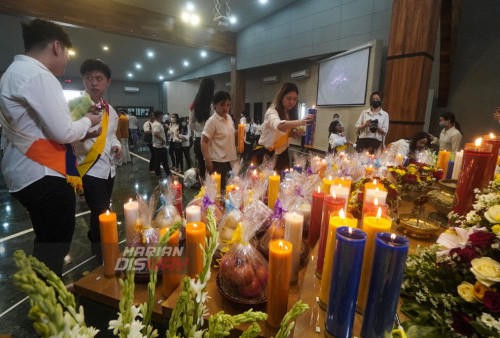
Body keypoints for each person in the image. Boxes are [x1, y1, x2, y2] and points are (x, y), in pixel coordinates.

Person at [0, 19, 101, 276]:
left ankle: (48, 293)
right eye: (67, 52)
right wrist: (88, 120)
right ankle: (50, 306)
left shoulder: (13, 73)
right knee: (53, 245)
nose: (67, 59)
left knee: (47, 241)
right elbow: (63, 132)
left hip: (25, 170)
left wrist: (84, 128)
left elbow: (42, 131)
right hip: (43, 174)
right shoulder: (38, 76)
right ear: (57, 46)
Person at [73, 59, 122, 263]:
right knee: (100, 210)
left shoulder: (110, 110)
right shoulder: (76, 105)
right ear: (83, 80)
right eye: (89, 78)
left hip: (108, 169)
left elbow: (111, 136)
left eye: (99, 78)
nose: (94, 82)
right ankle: (100, 253)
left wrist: (116, 145)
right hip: (89, 169)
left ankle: (96, 239)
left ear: (107, 82)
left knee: (100, 210)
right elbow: (68, 135)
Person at [258, 82, 314, 170]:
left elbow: (282, 132)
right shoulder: (272, 111)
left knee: (284, 180)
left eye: (295, 99)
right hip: (266, 152)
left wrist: (291, 133)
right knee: (265, 181)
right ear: (281, 97)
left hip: (282, 152)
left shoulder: (289, 113)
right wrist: (300, 122)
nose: (292, 102)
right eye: (289, 98)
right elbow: (279, 125)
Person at [201, 91, 237, 189]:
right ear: (215, 105)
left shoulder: (228, 118)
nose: (225, 108)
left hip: (229, 160)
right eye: (222, 105)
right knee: (218, 191)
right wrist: (207, 160)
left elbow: (227, 134)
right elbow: (204, 141)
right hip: (217, 161)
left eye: (228, 105)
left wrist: (239, 132)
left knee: (228, 189)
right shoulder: (213, 121)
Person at [190, 78, 215, 178]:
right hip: (210, 141)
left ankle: (203, 191)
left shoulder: (194, 105)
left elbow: (191, 124)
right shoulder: (213, 105)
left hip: (199, 140)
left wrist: (198, 130)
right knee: (212, 170)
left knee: (202, 168)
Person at [152, 111, 172, 178]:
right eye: (161, 116)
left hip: (158, 145)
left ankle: (161, 173)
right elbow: (155, 133)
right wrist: (163, 140)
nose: (162, 118)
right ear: (159, 116)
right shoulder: (157, 124)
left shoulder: (156, 123)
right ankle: (166, 174)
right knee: (163, 161)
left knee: (159, 161)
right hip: (159, 146)